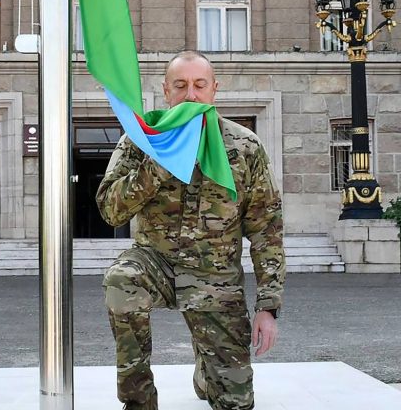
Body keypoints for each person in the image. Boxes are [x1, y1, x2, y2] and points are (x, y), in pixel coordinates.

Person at [96, 51, 285, 410]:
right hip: (155, 264)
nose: (191, 95)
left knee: (235, 402)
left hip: (216, 278)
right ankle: (139, 401)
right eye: (180, 86)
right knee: (121, 280)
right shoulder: (141, 139)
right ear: (166, 92)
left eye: (200, 85)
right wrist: (160, 164)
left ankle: (207, 368)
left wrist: (268, 306)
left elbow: (267, 230)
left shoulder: (244, 147)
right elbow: (110, 210)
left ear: (215, 90)